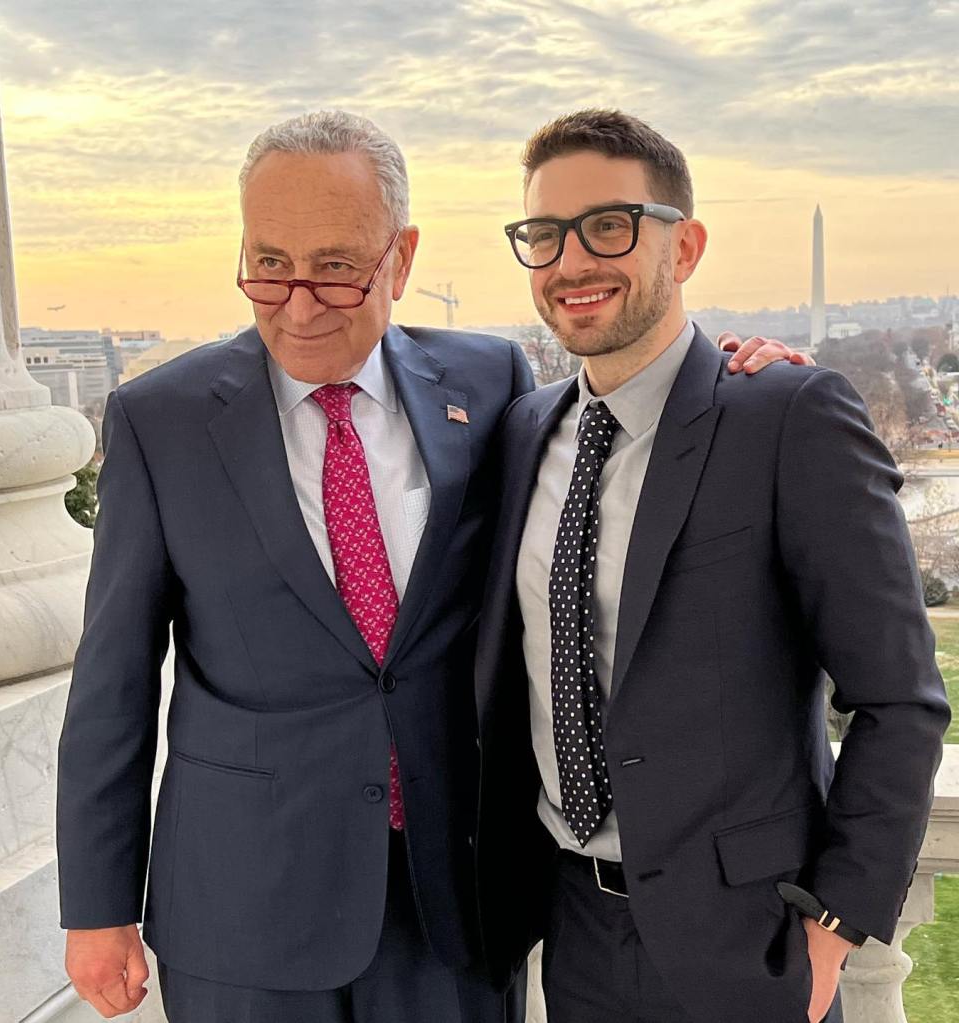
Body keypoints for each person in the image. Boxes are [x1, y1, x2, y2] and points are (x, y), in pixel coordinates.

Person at [55, 109, 797, 1023]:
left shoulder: (492, 387)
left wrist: (732, 376)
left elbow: (621, 426)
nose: (296, 303)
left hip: (453, 902)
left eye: (335, 269)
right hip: (241, 911)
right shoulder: (157, 421)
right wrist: (96, 906)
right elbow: (112, 683)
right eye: (269, 264)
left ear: (401, 260)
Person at [473, 109, 951, 1023]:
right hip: (570, 933)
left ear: (683, 246)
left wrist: (831, 934)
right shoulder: (523, 433)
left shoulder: (786, 418)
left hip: (751, 943)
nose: (570, 261)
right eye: (543, 234)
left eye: (608, 225)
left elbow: (900, 700)